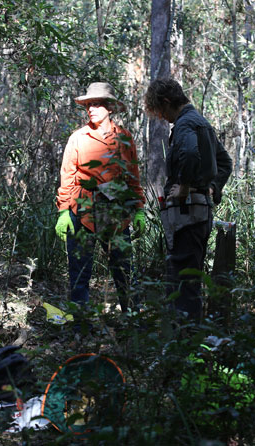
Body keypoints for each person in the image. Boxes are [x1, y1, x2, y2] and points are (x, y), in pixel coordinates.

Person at [144, 79, 232, 322]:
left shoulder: (185, 124)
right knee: (189, 276)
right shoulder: (200, 122)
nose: (162, 117)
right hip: (198, 213)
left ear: (167, 102)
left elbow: (191, 153)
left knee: (183, 280)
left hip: (188, 214)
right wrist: (212, 189)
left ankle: (186, 342)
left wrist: (183, 186)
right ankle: (186, 337)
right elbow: (225, 162)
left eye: (161, 111)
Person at [55, 82, 146, 316]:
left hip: (116, 211)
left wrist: (138, 209)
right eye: (88, 105)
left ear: (110, 108)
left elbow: (132, 175)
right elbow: (68, 175)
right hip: (83, 209)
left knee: (123, 268)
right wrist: (64, 212)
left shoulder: (124, 138)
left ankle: (133, 320)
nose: (91, 109)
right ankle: (80, 324)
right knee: (79, 270)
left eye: (96, 104)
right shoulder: (78, 138)